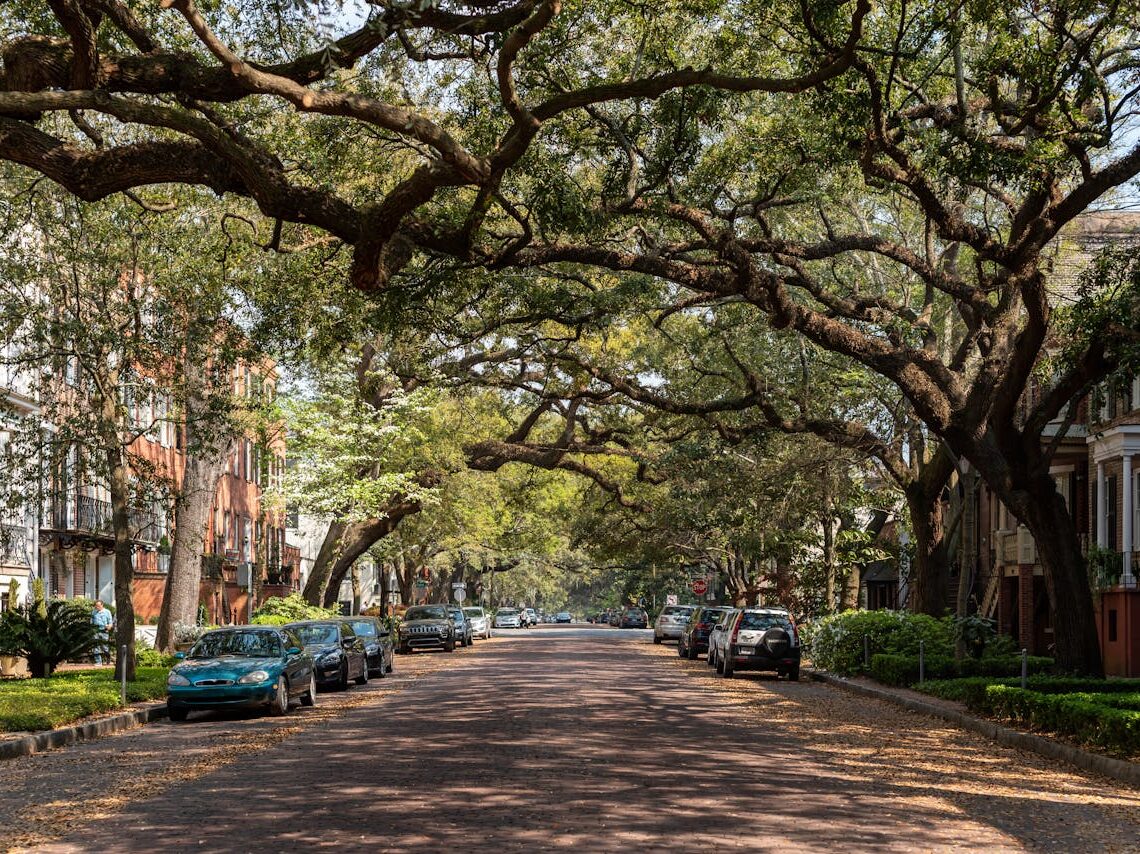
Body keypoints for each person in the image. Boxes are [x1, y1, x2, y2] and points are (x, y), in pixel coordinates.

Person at [92, 599, 113, 665]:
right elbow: (91, 621)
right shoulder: (93, 612)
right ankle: (98, 662)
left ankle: (108, 658)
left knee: (105, 647)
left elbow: (110, 621)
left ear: (102, 605)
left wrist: (109, 626)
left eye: (98, 606)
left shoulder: (107, 612)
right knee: (96, 646)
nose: (97, 607)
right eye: (96, 606)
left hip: (104, 631)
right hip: (96, 631)